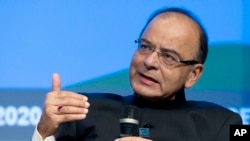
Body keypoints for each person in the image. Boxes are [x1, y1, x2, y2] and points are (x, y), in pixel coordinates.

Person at [32, 7, 242, 141]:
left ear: (193, 75)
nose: (149, 61)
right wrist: (44, 131)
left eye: (168, 56)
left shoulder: (225, 123)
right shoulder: (82, 111)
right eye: (145, 46)